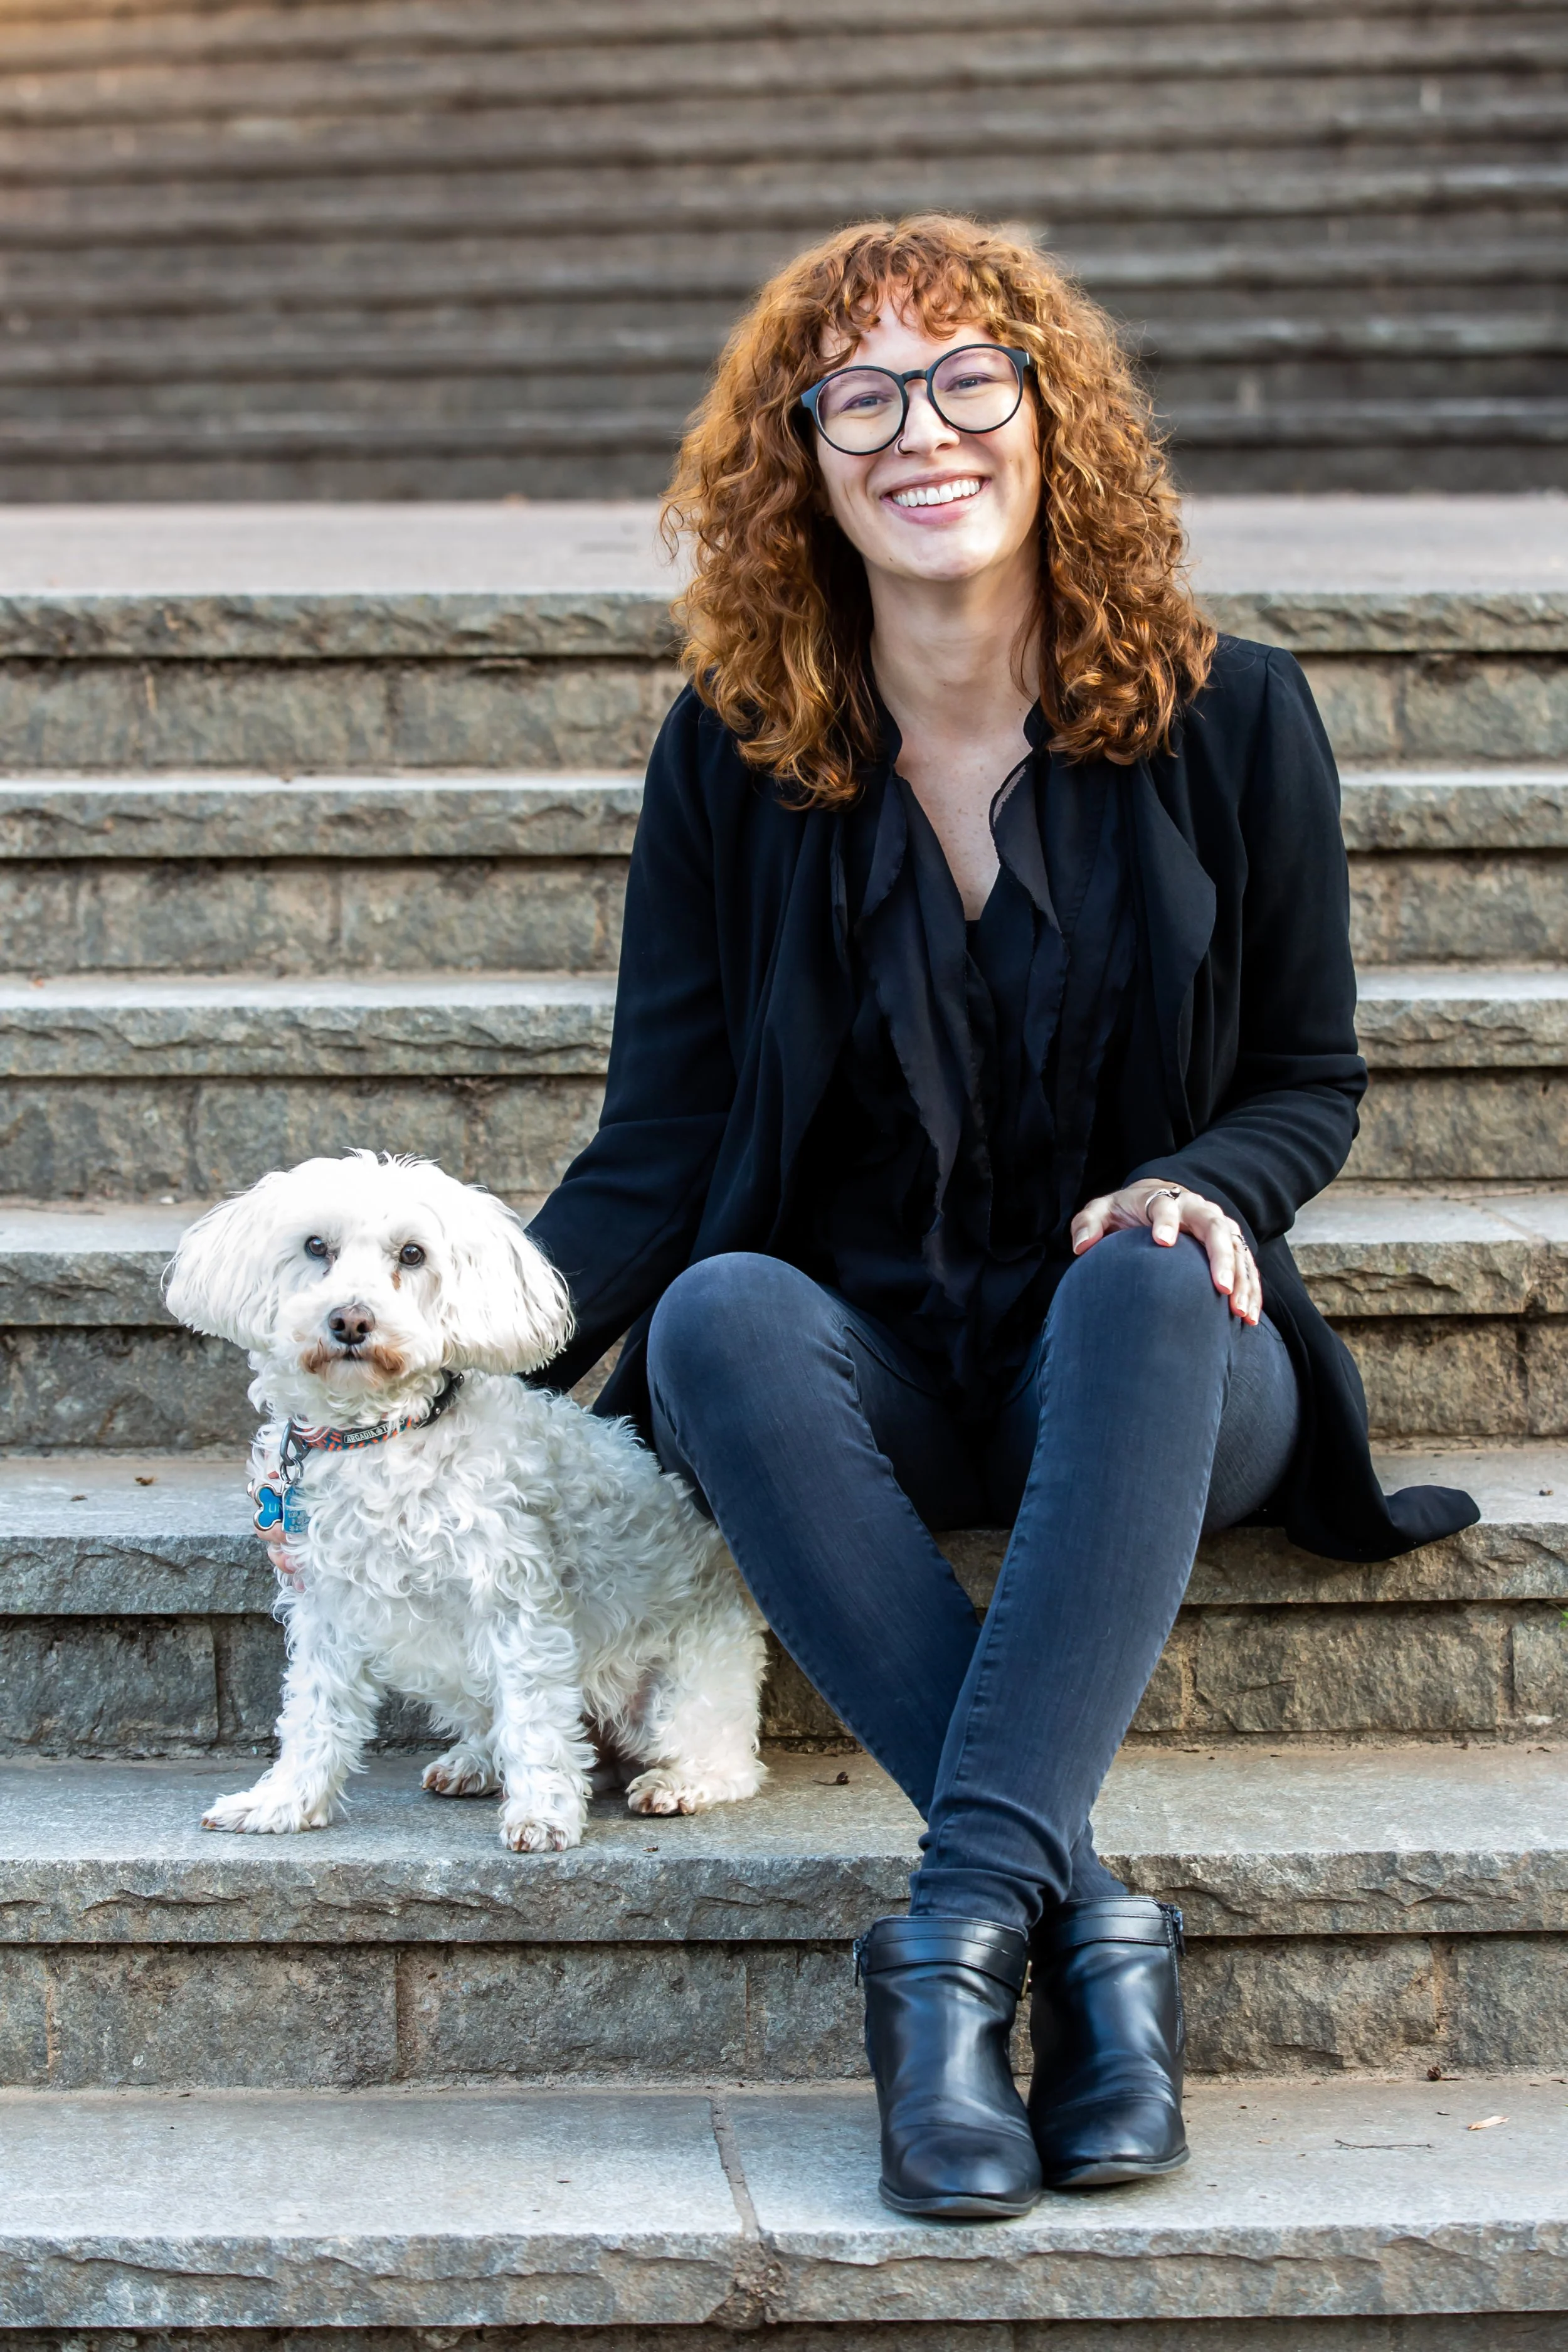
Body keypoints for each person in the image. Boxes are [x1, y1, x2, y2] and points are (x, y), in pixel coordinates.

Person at [526, 215, 1476, 2223]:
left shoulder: (1233, 716)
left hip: (1148, 1375)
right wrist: (453, 1349)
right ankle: (1080, 1935)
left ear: (1049, 421)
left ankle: (944, 1947)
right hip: (870, 1368)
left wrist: (1205, 1186)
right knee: (709, 1314)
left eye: (967, 378)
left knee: (1141, 1266)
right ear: (801, 452)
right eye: (856, 393)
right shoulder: (732, 754)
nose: (917, 428)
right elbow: (662, 1132)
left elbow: (1307, 1075)